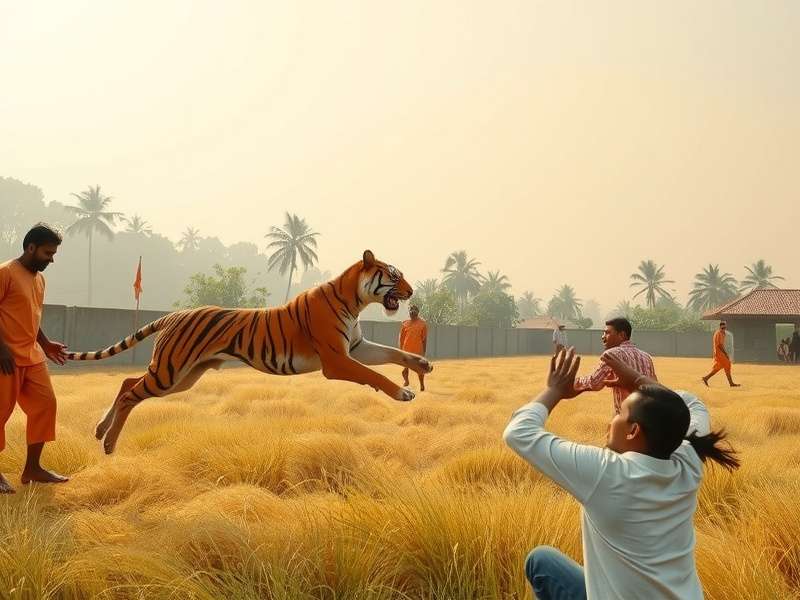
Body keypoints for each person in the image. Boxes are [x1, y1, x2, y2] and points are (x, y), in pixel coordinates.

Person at [504, 348, 739, 600]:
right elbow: (692, 404)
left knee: (541, 562)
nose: (611, 420)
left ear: (633, 431)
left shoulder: (608, 474)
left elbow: (518, 433)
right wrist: (638, 381)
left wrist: (555, 390)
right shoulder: (688, 460)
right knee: (543, 560)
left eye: (620, 413)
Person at [0, 224, 70, 493]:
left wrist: (45, 343)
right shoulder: (5, 272)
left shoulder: (40, 279)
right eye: (47, 253)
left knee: (45, 405)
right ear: (31, 248)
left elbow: (31, 315)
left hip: (32, 356)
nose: (51, 259)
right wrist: (2, 349)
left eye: (53, 254)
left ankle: (33, 469)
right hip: (4, 358)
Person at [573, 317, 656, 414]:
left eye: (607, 333)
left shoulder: (611, 354)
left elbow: (594, 383)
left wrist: (571, 382)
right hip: (649, 417)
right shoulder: (646, 357)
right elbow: (655, 386)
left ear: (622, 335)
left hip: (626, 418)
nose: (603, 336)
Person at [702, 321, 740, 387]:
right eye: (722, 328)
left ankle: (706, 378)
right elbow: (719, 345)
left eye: (724, 328)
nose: (723, 329)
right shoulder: (718, 333)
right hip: (719, 353)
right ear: (720, 327)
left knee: (719, 367)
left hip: (720, 353)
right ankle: (731, 383)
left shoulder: (723, 334)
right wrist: (725, 353)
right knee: (727, 364)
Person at [399, 304, 428, 391]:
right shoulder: (405, 323)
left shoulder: (423, 324)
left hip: (418, 351)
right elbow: (401, 338)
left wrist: (424, 352)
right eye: (411, 312)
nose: (412, 314)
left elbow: (424, 339)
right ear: (409, 313)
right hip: (406, 350)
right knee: (404, 370)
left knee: (420, 370)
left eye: (414, 312)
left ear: (417, 313)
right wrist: (400, 349)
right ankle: (406, 381)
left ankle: (422, 385)